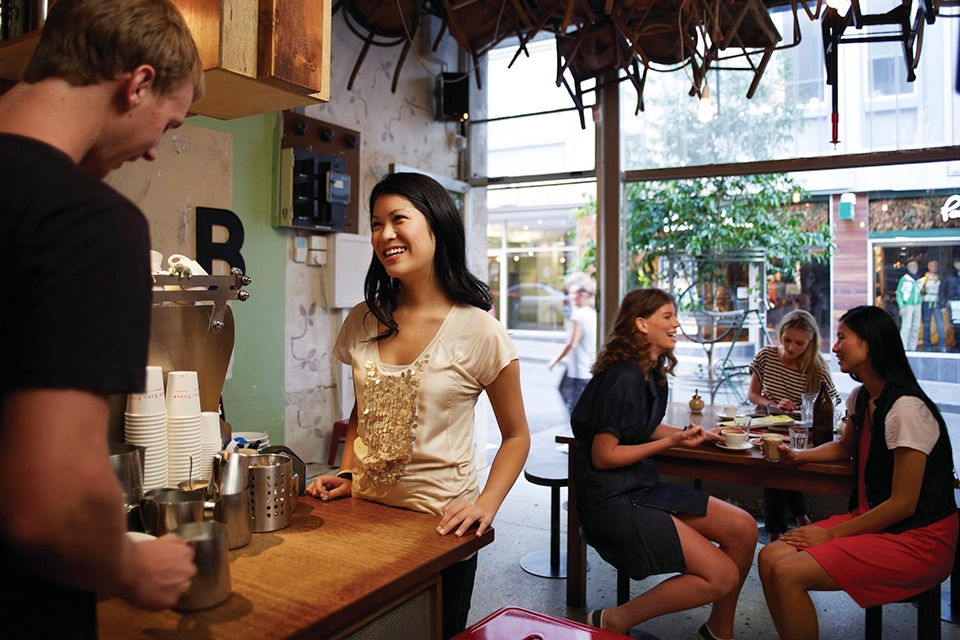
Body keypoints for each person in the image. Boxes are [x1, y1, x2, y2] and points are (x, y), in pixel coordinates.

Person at [0, 1, 204, 637]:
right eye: (167, 126)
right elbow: (50, 509)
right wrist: (130, 569)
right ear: (137, 84)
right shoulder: (87, 222)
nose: (150, 153)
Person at [304, 172, 531, 639]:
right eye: (375, 223)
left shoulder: (479, 330)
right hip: (364, 520)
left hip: (438, 532)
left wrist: (486, 505)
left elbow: (516, 435)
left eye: (398, 219)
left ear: (436, 227)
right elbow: (363, 415)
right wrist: (348, 474)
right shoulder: (362, 319)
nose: (385, 234)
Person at [759, 305, 958, 640]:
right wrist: (799, 457)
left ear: (870, 345)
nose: (834, 347)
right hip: (877, 521)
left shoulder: (906, 410)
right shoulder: (862, 397)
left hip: (918, 538)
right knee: (768, 557)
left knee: (788, 573)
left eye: (842, 338)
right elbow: (844, 447)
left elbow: (904, 504)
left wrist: (832, 534)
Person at [573, 288, 757, 640]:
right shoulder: (623, 377)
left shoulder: (650, 371)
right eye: (668, 317)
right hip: (612, 500)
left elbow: (642, 425)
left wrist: (691, 433)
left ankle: (720, 629)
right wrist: (669, 442)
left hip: (639, 486)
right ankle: (614, 620)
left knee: (744, 527)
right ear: (641, 324)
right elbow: (604, 455)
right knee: (722, 576)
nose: (677, 324)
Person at [747, 309, 841, 542]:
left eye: (799, 343)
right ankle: (798, 520)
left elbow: (833, 401)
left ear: (810, 342)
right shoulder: (767, 356)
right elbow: (752, 395)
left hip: (800, 432)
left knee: (778, 465)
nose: (791, 348)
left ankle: (777, 530)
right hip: (768, 427)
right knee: (774, 462)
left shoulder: (816, 368)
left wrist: (802, 407)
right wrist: (774, 403)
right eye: (786, 340)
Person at [547, 273, 597, 415]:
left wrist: (554, 361)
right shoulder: (592, 313)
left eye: (573, 293)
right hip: (585, 367)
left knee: (576, 410)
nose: (570, 297)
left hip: (580, 370)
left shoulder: (579, 315)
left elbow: (572, 343)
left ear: (583, 294)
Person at [920, 260, 946, 352]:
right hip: (926, 302)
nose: (933, 267)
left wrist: (943, 304)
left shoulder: (940, 278)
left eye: (935, 265)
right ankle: (927, 344)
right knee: (926, 324)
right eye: (931, 265)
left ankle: (942, 345)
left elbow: (943, 292)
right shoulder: (923, 279)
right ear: (928, 266)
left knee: (940, 324)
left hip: (937, 302)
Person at [896, 259, 922, 351]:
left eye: (915, 267)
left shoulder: (918, 280)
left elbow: (920, 292)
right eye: (912, 267)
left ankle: (912, 346)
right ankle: (903, 346)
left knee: (916, 326)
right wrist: (901, 306)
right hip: (908, 305)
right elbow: (899, 293)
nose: (914, 268)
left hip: (917, 305)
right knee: (906, 326)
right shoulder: (904, 279)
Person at [946, 258, 960, 352]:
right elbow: (944, 289)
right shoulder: (950, 275)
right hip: (954, 301)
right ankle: (957, 343)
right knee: (955, 324)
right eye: (957, 263)